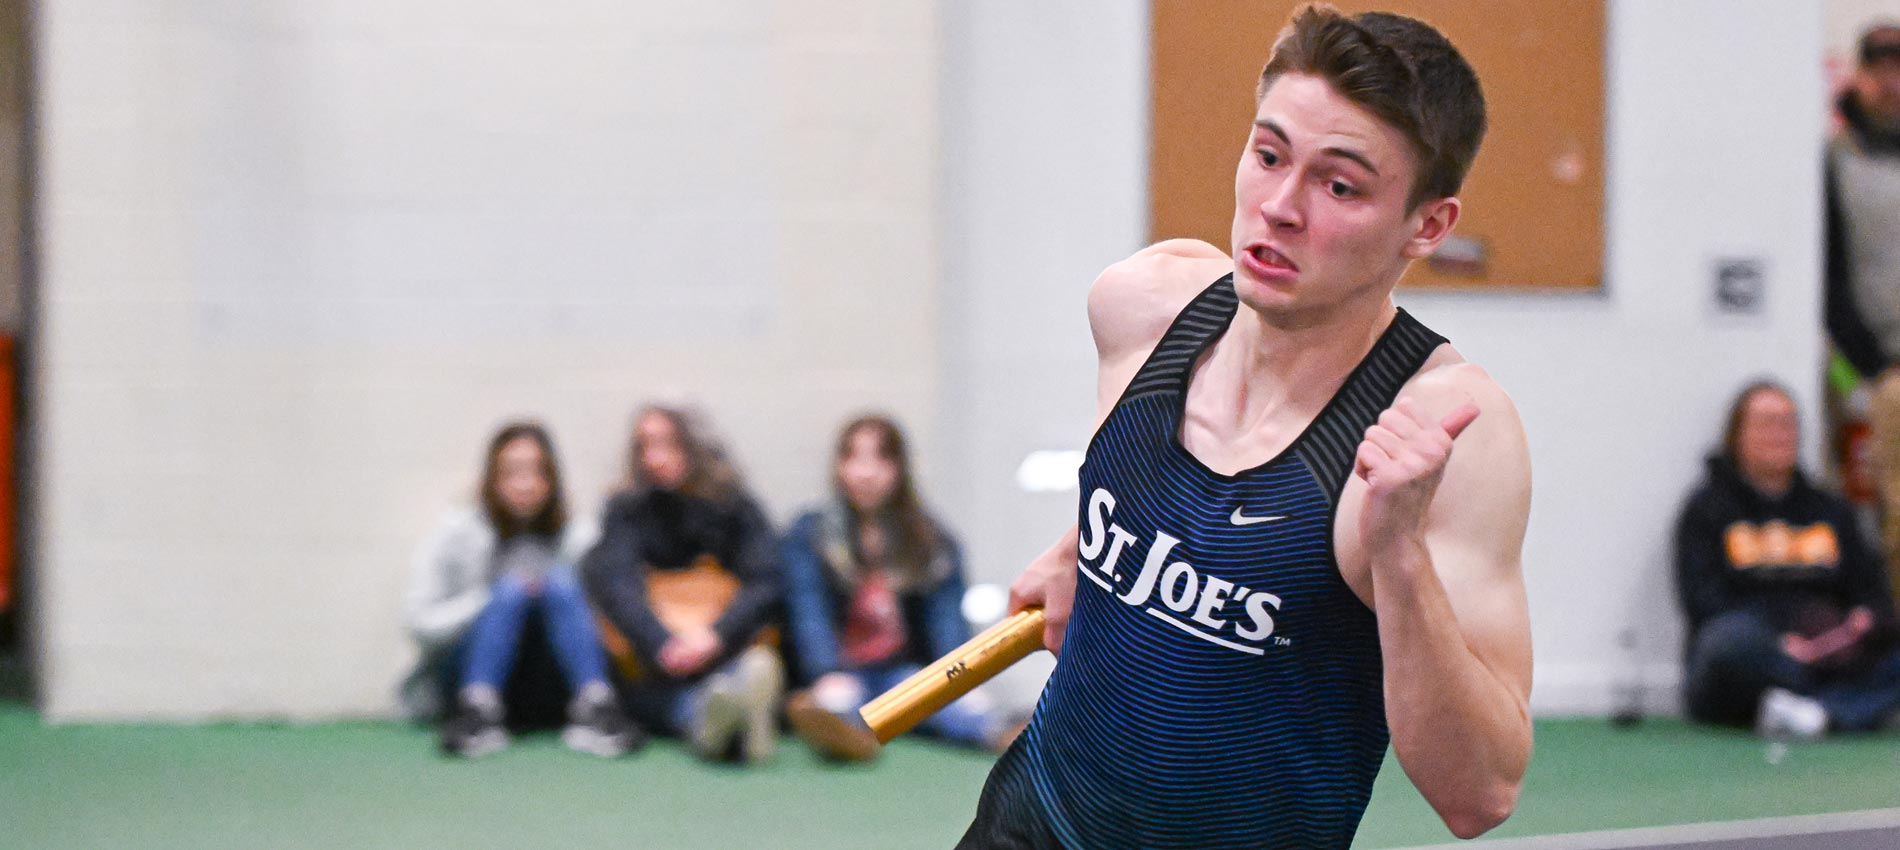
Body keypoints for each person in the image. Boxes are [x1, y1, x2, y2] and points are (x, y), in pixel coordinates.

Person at [959, 7, 1532, 849]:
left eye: (1339, 185)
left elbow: (1478, 793)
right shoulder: (1143, 306)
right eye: (1268, 156)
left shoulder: (1448, 436)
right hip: (1027, 825)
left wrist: (1399, 557)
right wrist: (1089, 544)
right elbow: (1183, 500)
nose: (1280, 208)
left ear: (1427, 226)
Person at [780, 415, 1017, 761]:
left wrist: (962, 679)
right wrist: (825, 671)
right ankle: (843, 734)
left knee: (951, 704)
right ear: (839, 465)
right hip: (839, 673)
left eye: (880, 459)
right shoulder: (810, 535)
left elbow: (946, 621)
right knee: (836, 701)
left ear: (900, 467)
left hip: (902, 673)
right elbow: (808, 612)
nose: (865, 473)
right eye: (853, 458)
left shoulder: (932, 541)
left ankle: (1005, 733)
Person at [403, 422, 641, 758]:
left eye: (537, 472)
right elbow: (418, 623)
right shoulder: (456, 534)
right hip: (464, 674)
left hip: (549, 680)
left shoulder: (578, 536)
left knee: (558, 582)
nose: (526, 485)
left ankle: (596, 708)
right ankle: (477, 712)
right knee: (512, 590)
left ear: (552, 479)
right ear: (492, 478)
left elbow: (604, 621)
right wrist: (490, 600)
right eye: (512, 472)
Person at [1675, 381, 1900, 738]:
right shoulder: (1707, 509)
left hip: (1831, 652)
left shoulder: (1832, 511)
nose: (1779, 434)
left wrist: (1851, 630)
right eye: (1766, 423)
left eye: (1788, 423)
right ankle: (1840, 707)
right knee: (1727, 643)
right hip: (1756, 652)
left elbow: (1871, 593)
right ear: (1737, 434)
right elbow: (1703, 604)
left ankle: (1816, 714)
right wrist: (1782, 642)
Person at [583, 405, 785, 764]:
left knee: (749, 667)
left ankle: (730, 718)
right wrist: (661, 644)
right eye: (644, 446)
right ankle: (722, 725)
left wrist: (716, 636)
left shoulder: (735, 505)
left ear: (694, 445)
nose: (654, 458)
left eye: (667, 444)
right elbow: (617, 584)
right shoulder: (626, 508)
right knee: (651, 694)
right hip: (653, 659)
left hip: (722, 646)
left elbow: (765, 580)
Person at [1825, 22, 1900, 594]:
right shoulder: (1835, 162)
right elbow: (1829, 278)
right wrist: (1873, 369)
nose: (1891, 82)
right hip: (1880, 370)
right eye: (1881, 69)